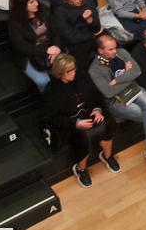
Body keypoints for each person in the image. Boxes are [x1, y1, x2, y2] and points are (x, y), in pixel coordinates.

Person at [87, 34, 146, 170]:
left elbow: (137, 71)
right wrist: (127, 75)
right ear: (100, 51)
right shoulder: (94, 70)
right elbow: (108, 92)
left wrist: (117, 80)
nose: (115, 51)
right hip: (114, 100)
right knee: (145, 114)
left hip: (132, 89)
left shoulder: (121, 52)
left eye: (115, 47)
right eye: (110, 49)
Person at [42, 53, 118, 188]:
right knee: (81, 138)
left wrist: (97, 109)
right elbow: (52, 118)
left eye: (74, 70)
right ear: (59, 73)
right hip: (70, 121)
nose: (73, 74)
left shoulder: (82, 76)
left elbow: (95, 94)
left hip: (89, 112)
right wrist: (75, 123)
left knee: (109, 122)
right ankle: (81, 169)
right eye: (68, 72)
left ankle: (108, 156)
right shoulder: (51, 90)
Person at [7, 0, 57, 92]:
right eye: (31, 2)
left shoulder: (44, 10)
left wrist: (56, 47)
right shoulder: (15, 21)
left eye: (36, 0)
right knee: (44, 81)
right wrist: (46, 51)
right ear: (22, 5)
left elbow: (56, 31)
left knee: (66, 70)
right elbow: (22, 47)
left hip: (50, 49)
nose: (36, 4)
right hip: (30, 56)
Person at [51, 0, 105, 68]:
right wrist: (92, 35)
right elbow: (70, 37)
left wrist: (90, 21)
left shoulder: (89, 2)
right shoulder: (60, 12)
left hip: (91, 35)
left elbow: (97, 28)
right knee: (83, 65)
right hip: (77, 43)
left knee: (111, 45)